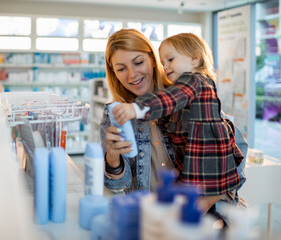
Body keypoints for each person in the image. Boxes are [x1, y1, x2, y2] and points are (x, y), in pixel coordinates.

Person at [101, 29, 247, 214]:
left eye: (138, 62)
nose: (131, 75)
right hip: (149, 216)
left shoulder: (187, 94)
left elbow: (235, 152)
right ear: (113, 73)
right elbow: (117, 186)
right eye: (121, 69)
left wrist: (202, 204)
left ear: (153, 61)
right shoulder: (114, 114)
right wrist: (112, 158)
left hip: (198, 212)